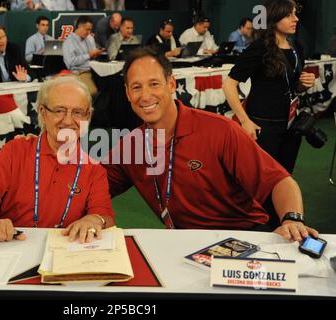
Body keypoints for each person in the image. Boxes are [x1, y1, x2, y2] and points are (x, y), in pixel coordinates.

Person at [104, 46, 318, 242]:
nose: (145, 96)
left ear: (171, 84)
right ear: (127, 93)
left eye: (154, 84)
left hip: (244, 237)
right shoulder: (131, 146)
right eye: (136, 87)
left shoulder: (219, 130)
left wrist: (292, 219)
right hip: (184, 245)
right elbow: (90, 184)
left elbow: (279, 181)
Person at [0, 76, 115, 243]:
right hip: (12, 246)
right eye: (59, 110)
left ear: (88, 117)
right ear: (43, 113)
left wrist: (94, 220)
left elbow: (106, 217)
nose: (67, 120)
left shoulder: (94, 170)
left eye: (78, 112)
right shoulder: (15, 151)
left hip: (64, 253)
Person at [222, 0, 315, 175]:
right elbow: (229, 85)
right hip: (263, 127)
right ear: (274, 17)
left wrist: (303, 84)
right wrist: (245, 121)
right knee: (262, 180)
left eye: (295, 13)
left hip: (290, 125)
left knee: (284, 177)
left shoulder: (296, 47)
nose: (295, 19)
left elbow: (292, 86)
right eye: (289, 15)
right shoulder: (259, 48)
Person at [62, 15, 104, 97]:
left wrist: (96, 53)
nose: (89, 32)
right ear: (79, 27)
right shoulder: (69, 42)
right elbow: (70, 63)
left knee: (110, 86)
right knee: (93, 92)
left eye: (90, 29)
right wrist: (89, 55)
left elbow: (92, 56)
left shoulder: (90, 38)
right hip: (80, 72)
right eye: (87, 29)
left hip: (95, 70)